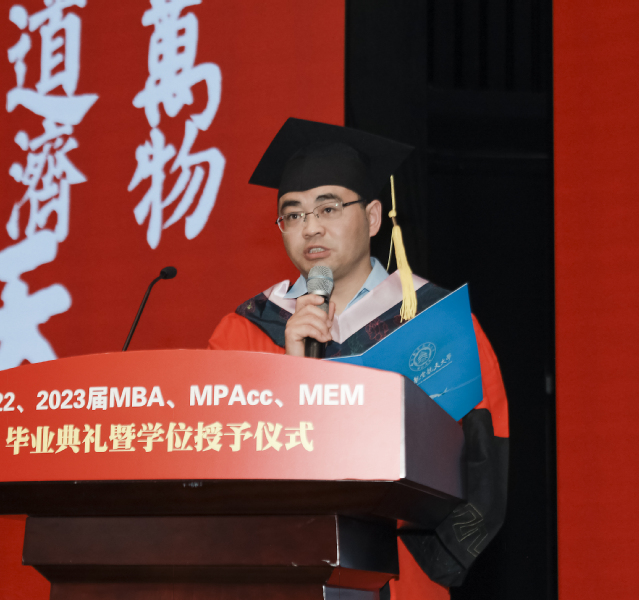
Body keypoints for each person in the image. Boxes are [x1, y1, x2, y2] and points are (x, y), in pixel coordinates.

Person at [208, 118, 509, 600]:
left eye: (328, 208)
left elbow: (481, 459)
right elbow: (218, 467)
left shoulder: (437, 323)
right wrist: (290, 378)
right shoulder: (244, 332)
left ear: (371, 218)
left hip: (400, 575)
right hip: (280, 577)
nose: (310, 227)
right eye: (292, 215)